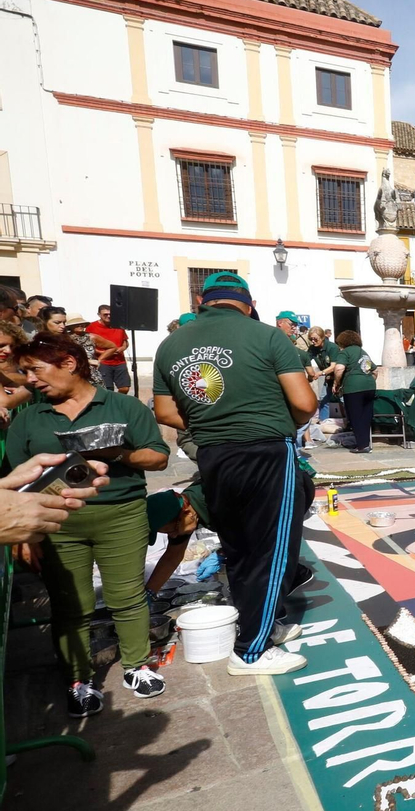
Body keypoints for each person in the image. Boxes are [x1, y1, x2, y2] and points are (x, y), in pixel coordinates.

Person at [153, 271, 318, 675]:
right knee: (275, 548)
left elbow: (165, 412)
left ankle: (263, 626)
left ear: (203, 302)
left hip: (212, 452)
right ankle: (251, 651)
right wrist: (271, 419)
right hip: (264, 448)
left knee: (240, 548)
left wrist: (210, 423)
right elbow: (305, 403)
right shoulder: (266, 336)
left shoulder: (171, 345)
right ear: (247, 303)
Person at [9, 333, 169, 714]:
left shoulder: (122, 406)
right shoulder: (30, 417)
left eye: (36, 369)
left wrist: (121, 454)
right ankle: (78, 678)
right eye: (25, 372)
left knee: (126, 595)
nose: (30, 380)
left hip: (121, 514)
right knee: (70, 604)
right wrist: (25, 537)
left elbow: (159, 457)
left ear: (68, 363)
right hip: (56, 522)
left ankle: (136, 663)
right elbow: (16, 479)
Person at [331, 330, 378, 453]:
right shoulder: (363, 352)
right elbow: (374, 370)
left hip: (353, 388)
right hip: (369, 387)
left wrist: (336, 383)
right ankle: (366, 444)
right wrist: (366, 380)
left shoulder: (345, 352)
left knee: (355, 416)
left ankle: (361, 446)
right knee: (366, 417)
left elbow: (339, 369)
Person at [86, 304, 132, 393]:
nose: (109, 316)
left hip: (119, 361)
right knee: (107, 389)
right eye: (105, 314)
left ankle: (118, 402)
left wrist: (121, 348)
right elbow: (87, 345)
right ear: (99, 314)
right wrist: (103, 352)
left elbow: (125, 341)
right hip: (103, 362)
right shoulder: (92, 327)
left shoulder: (118, 325)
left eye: (110, 314)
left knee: (124, 388)